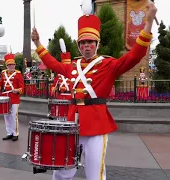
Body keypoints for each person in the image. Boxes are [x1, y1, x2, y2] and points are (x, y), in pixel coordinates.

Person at [31, 1, 157, 179]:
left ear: (97, 43)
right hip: (73, 124)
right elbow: (53, 64)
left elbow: (135, 55)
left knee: (94, 173)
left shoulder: (108, 64)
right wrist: (37, 43)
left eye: (90, 42)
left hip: (96, 125)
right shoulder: (72, 66)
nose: (86, 46)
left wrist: (149, 22)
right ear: (78, 45)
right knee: (62, 170)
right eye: (82, 43)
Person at [0, 53, 24, 141]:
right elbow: (0, 83)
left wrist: (17, 90)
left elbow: (22, 87)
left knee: (13, 116)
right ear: (7, 65)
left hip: (14, 97)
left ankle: (15, 133)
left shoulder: (18, 74)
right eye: (10, 65)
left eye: (13, 64)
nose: (12, 66)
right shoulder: (3, 73)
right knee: (6, 116)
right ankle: (9, 133)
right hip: (5, 96)